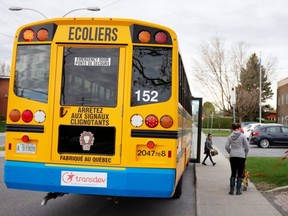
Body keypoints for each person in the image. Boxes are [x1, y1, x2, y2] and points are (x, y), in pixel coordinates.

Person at [225, 123, 249, 195]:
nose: (241, 128)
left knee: (233, 172)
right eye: (240, 127)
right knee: (240, 173)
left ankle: (231, 190)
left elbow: (226, 146)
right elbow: (247, 147)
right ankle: (238, 191)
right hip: (241, 156)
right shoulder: (242, 136)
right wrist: (245, 154)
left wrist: (231, 152)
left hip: (233, 156)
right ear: (238, 128)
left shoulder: (230, 136)